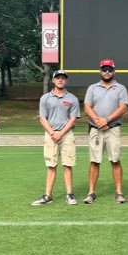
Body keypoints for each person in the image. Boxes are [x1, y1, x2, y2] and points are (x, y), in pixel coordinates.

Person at [32, 70, 81, 206]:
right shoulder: (45, 98)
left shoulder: (72, 98)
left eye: (63, 78)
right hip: (50, 134)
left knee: (68, 165)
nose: (60, 80)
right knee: (51, 165)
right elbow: (42, 118)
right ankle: (48, 195)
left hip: (67, 135)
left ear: (66, 81)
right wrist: (53, 133)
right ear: (53, 80)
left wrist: (61, 133)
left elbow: (72, 119)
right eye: (57, 78)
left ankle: (70, 195)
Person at [83, 59, 128, 204]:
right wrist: (98, 121)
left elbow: (122, 108)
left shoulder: (120, 88)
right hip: (96, 129)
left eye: (109, 69)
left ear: (114, 71)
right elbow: (87, 107)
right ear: (100, 71)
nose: (107, 72)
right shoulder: (92, 88)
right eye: (104, 69)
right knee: (94, 161)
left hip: (113, 128)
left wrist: (106, 120)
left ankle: (119, 192)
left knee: (115, 160)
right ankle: (91, 193)